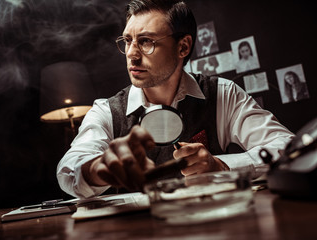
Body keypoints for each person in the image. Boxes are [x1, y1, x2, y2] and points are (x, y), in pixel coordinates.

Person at [57, 0, 294, 199]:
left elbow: (288, 148)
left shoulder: (222, 94)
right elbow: (69, 171)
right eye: (128, 40)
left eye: (146, 41)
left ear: (183, 47)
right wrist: (97, 168)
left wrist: (221, 166)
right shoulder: (106, 111)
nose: (131, 54)